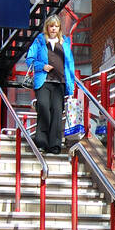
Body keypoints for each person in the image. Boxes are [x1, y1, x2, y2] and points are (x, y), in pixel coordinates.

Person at [24, 15, 75, 154]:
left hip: (60, 83)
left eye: (56, 26)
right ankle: (41, 142)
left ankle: (55, 145)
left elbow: (70, 65)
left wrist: (71, 88)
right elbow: (29, 59)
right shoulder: (40, 41)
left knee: (57, 112)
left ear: (59, 28)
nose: (53, 28)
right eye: (51, 26)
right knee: (44, 109)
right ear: (47, 27)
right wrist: (42, 66)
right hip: (43, 81)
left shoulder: (65, 42)